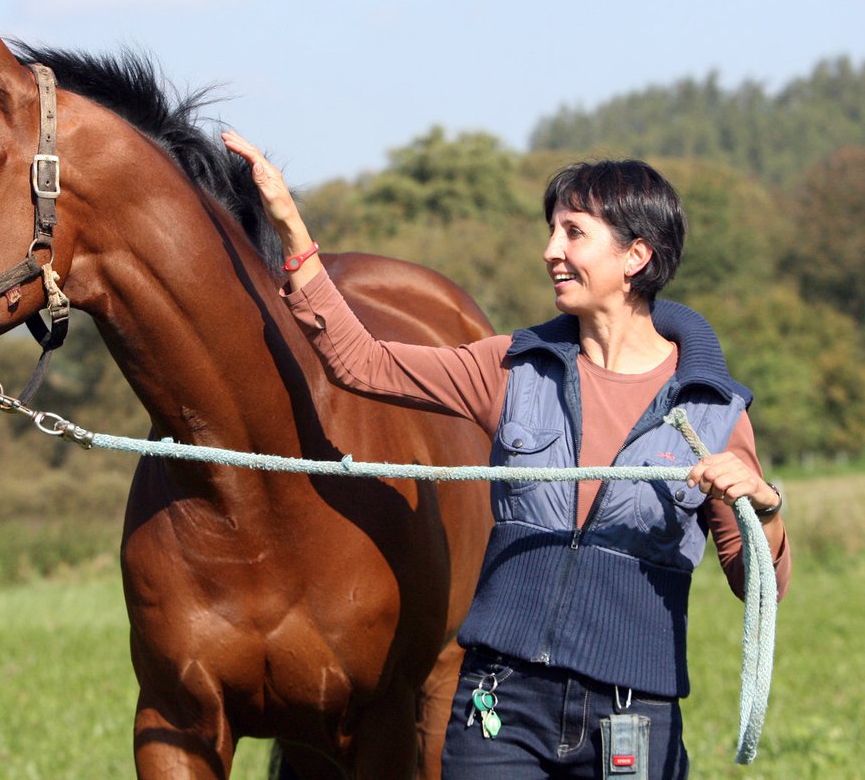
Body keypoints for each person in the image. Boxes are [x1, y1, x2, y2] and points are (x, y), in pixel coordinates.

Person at [222, 130, 790, 779]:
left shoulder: (713, 411)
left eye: (574, 233)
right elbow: (363, 363)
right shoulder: (514, 367)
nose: (551, 251)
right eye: (552, 231)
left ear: (636, 255)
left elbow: (756, 586)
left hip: (633, 718)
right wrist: (294, 234)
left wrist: (764, 509)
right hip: (498, 705)